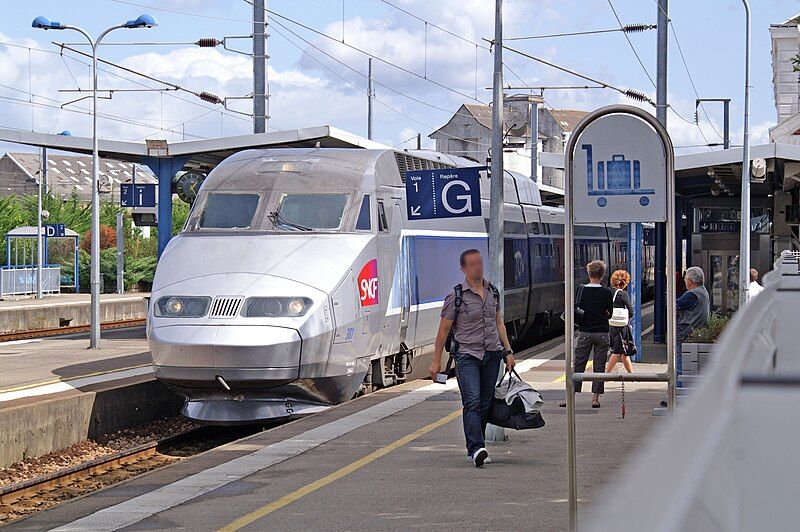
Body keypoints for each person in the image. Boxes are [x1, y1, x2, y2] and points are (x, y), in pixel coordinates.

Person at [429, 249, 515, 468]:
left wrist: (508, 352)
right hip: (467, 356)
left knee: (486, 402)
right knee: (473, 401)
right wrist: (436, 361)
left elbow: (499, 324)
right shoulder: (456, 296)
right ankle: (475, 448)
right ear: (464, 269)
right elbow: (443, 330)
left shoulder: (492, 292)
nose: (478, 267)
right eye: (473, 264)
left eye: (480, 263)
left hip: (492, 355)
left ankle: (479, 445)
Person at [560, 260, 613, 409]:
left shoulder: (580, 290)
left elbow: (576, 309)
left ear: (589, 274)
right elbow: (610, 314)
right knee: (599, 366)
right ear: (602, 275)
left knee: (578, 365)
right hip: (602, 333)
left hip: (584, 333)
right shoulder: (607, 292)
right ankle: (595, 399)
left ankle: (569, 397)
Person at [605, 269, 634, 375]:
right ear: (625, 282)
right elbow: (631, 311)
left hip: (611, 325)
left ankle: (632, 375)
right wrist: (626, 318)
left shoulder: (609, 293)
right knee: (617, 352)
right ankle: (606, 375)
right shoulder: (624, 294)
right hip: (622, 327)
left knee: (624, 352)